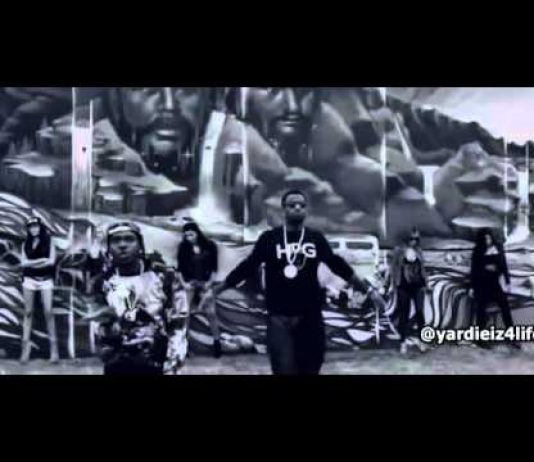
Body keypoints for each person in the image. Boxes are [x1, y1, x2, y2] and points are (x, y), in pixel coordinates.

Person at [213, 189, 376, 375]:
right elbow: (247, 267)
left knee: (310, 368)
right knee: (283, 369)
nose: (297, 208)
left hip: (310, 318)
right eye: (292, 205)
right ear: (284, 209)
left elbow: (338, 266)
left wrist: (369, 291)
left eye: (301, 205)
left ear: (306, 210)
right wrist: (218, 289)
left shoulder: (315, 238)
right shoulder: (270, 239)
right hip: (279, 318)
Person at [95, 222, 189, 375]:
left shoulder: (164, 277)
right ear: (109, 247)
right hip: (118, 365)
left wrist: (173, 362)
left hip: (158, 364)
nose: (122, 245)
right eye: (116, 240)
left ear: (140, 244)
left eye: (129, 239)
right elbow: (100, 328)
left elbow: (179, 322)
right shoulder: (103, 283)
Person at [177, 221, 222, 358]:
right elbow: (179, 269)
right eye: (186, 235)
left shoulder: (210, 246)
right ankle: (184, 346)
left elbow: (214, 268)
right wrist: (184, 284)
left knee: (211, 313)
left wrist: (209, 283)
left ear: (197, 233)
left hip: (205, 283)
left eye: (191, 234)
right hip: (190, 283)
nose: (189, 238)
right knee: (186, 315)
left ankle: (217, 343)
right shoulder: (183, 248)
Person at [469, 228, 519, 350]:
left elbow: (504, 266)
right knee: (481, 311)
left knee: (505, 308)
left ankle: (511, 337)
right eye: (485, 238)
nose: (488, 240)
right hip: (482, 285)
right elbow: (474, 269)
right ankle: (480, 339)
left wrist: (508, 282)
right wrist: (472, 286)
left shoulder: (498, 248)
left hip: (495, 284)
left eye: (489, 238)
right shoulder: (478, 250)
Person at [19, 217, 58, 364]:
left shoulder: (49, 241)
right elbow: (23, 263)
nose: (33, 229)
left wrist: (31, 264)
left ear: (40, 227)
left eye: (35, 226)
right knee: (28, 313)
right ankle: (25, 350)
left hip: (45, 280)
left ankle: (54, 352)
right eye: (31, 227)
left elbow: (52, 261)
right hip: (29, 280)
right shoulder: (25, 244)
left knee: (48, 312)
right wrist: (41, 260)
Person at [389, 228, 429, 355]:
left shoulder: (419, 251)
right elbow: (393, 268)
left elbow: (423, 268)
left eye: (416, 239)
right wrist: (393, 285)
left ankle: (422, 340)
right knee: (404, 314)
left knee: (420, 313)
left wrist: (426, 283)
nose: (414, 241)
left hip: (418, 286)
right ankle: (403, 341)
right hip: (403, 286)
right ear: (407, 238)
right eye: (412, 238)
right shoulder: (399, 250)